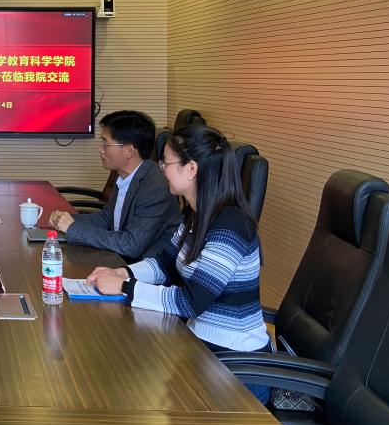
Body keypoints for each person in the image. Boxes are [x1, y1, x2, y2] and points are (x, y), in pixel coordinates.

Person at [87, 125, 271, 395]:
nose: (161, 169)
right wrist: (122, 273)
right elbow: (164, 265)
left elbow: (191, 302)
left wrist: (125, 288)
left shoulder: (230, 226)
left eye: (166, 163)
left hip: (235, 367)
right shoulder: (195, 215)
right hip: (198, 346)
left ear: (191, 169)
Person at [48, 110, 180, 260]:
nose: (100, 149)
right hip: (118, 260)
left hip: (142, 268)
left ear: (129, 150)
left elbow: (131, 245)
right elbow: (107, 219)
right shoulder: (125, 176)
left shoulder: (155, 187)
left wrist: (73, 229)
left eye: (105, 143)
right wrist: (65, 219)